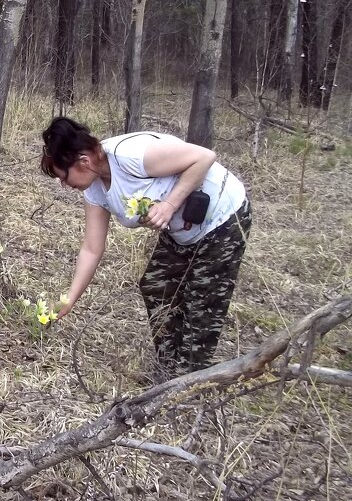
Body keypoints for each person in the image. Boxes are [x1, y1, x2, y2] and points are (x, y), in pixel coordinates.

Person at [40, 117, 252, 379]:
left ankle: (189, 383)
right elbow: (92, 248)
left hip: (223, 217)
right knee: (156, 284)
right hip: (182, 231)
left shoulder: (131, 155)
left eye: (63, 176)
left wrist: (169, 206)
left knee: (202, 302)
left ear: (83, 161)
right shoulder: (94, 188)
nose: (63, 184)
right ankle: (167, 370)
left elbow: (204, 156)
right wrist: (69, 299)